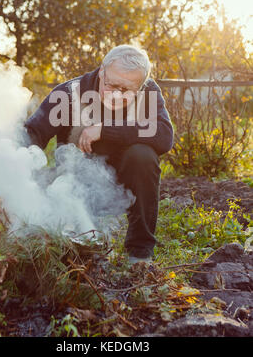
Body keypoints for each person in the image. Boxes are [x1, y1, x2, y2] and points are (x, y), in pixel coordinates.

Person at [24, 45, 174, 264]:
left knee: (143, 156)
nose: (116, 94)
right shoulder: (69, 93)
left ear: (140, 87)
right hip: (75, 181)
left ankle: (139, 255)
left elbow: (163, 135)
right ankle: (77, 244)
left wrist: (104, 129)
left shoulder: (148, 93)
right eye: (111, 84)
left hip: (126, 180)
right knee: (69, 236)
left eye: (126, 90)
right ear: (102, 71)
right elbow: (33, 133)